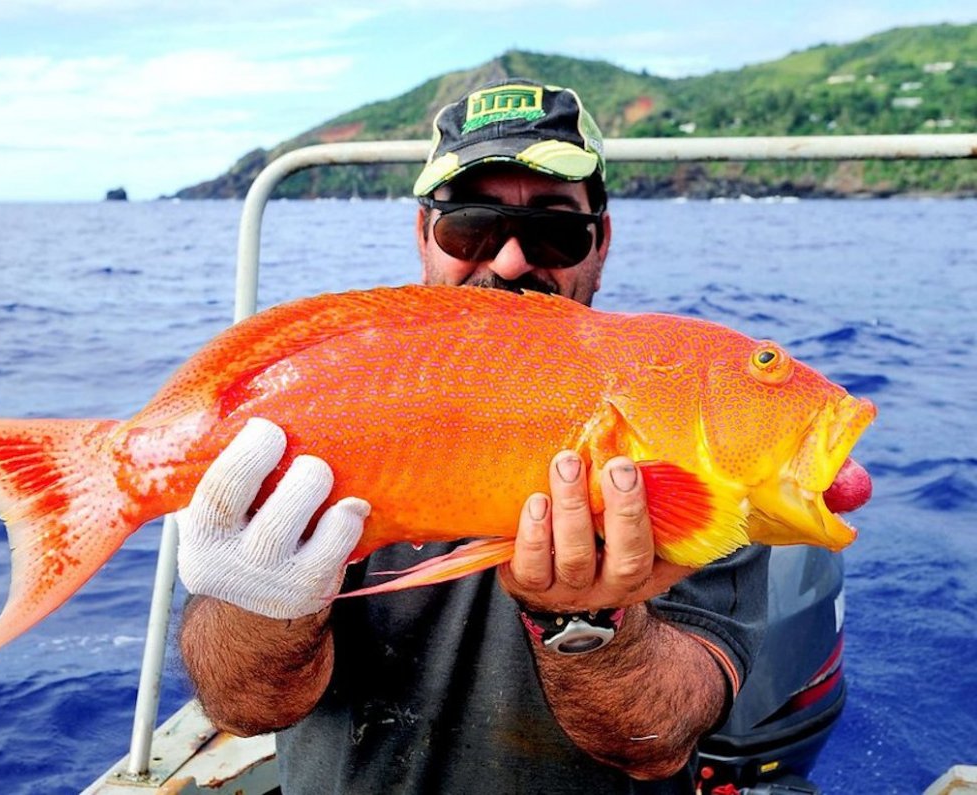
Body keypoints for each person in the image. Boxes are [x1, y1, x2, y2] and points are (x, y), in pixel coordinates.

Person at [176, 79, 769, 794]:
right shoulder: (326, 397)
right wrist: (261, 607)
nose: (513, 261)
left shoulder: (686, 413)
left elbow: (657, 738)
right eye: (469, 225)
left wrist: (586, 625)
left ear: (600, 243)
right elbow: (243, 705)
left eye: (555, 228)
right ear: (424, 234)